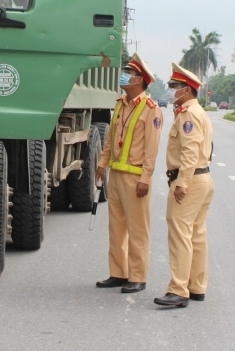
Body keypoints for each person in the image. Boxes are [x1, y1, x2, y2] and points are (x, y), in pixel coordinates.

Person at [94, 53, 164, 294]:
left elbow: (152, 149)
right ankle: (118, 273)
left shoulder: (150, 109)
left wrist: (146, 178)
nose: (123, 75)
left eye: (129, 72)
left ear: (139, 80)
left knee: (137, 229)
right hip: (115, 176)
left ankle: (137, 276)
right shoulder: (120, 103)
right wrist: (102, 164)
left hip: (136, 179)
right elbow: (111, 137)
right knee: (116, 228)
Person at [154, 63, 215, 309]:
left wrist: (182, 183)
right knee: (196, 234)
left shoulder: (188, 114)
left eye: (174, 87)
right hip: (203, 179)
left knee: (180, 235)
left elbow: (190, 152)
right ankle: (196, 286)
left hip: (190, 180)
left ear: (187, 90)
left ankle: (179, 290)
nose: (170, 91)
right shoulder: (196, 111)